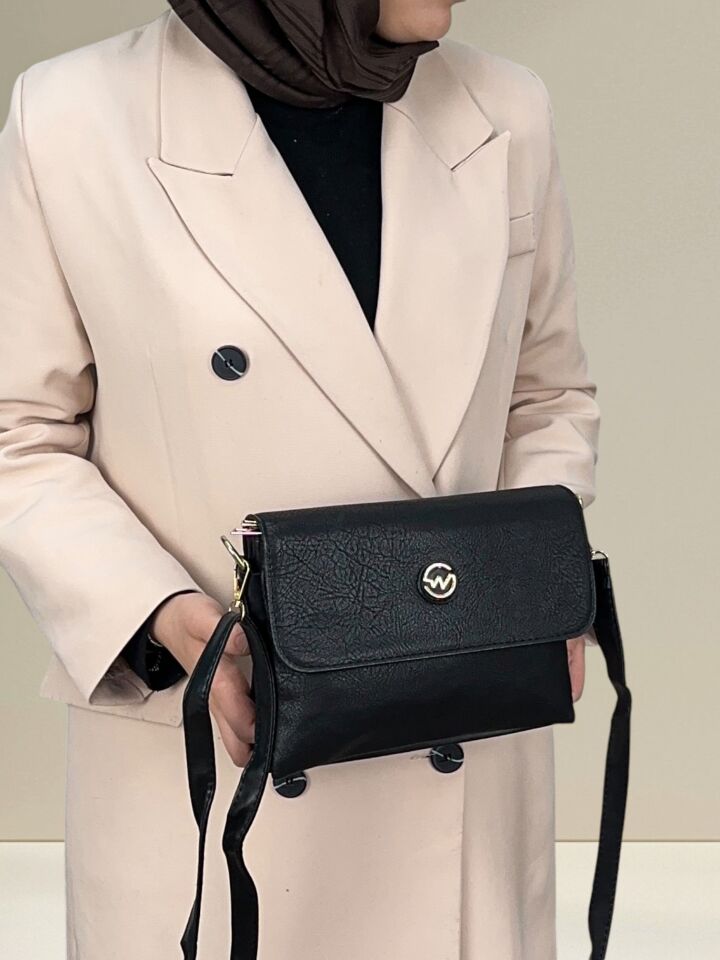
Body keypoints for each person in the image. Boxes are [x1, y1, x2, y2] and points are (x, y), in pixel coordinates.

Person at [0, 1, 599, 957]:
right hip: (215, 768)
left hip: (463, 750)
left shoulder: (505, 107)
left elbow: (547, 393)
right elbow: (21, 436)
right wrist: (165, 616)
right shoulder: (72, 116)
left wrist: (535, 580)